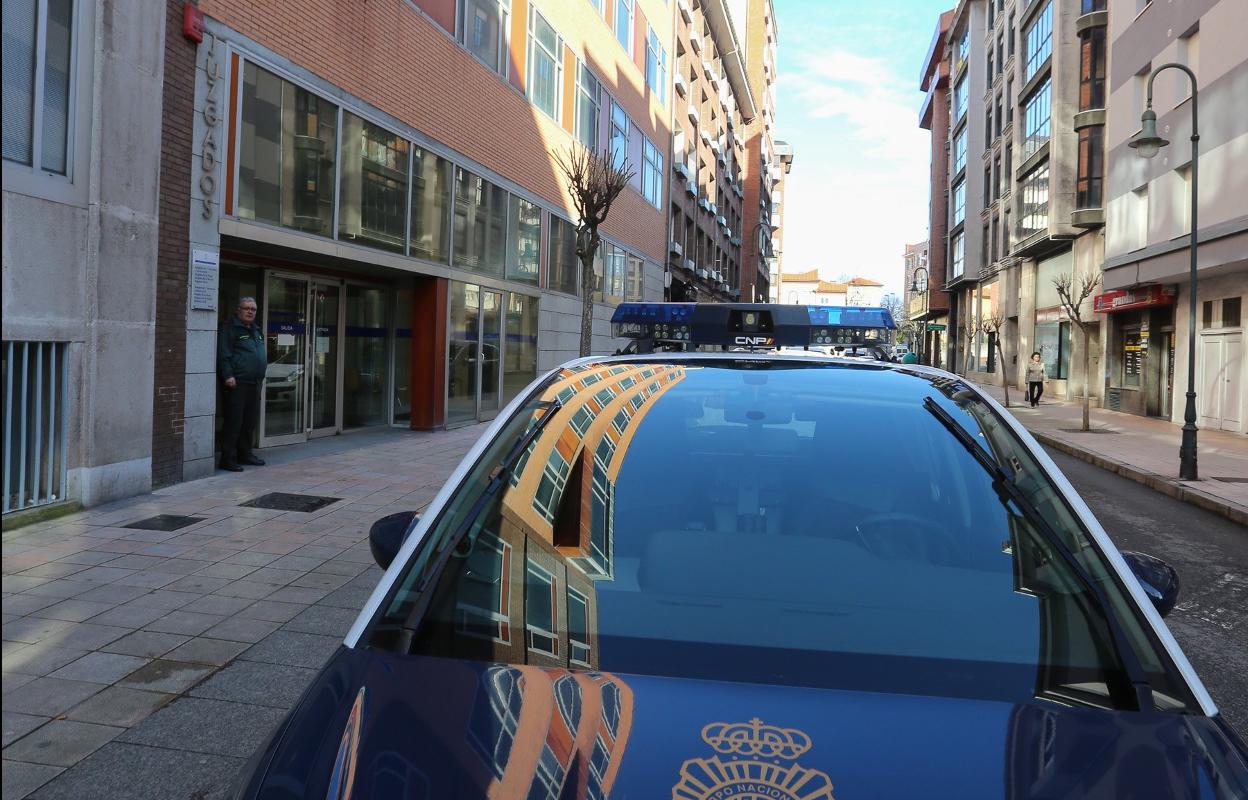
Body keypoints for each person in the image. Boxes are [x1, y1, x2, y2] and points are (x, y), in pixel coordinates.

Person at [217, 297, 268, 471]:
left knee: (249, 422)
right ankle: (227, 459)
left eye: (253, 309)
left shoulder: (256, 330)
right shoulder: (229, 329)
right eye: (246, 308)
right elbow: (224, 354)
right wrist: (228, 375)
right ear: (238, 310)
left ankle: (245, 454)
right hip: (237, 383)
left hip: (254, 383)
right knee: (234, 422)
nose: (250, 312)